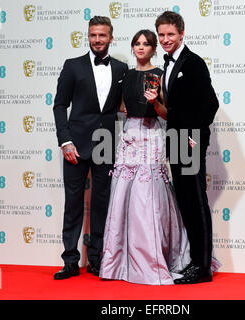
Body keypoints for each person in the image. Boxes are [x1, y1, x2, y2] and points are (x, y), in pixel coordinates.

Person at [99, 30, 191, 285]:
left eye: (146, 44)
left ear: (153, 49)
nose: (141, 47)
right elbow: (118, 105)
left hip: (151, 136)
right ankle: (117, 264)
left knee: (147, 196)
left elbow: (166, 113)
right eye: (137, 43)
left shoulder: (161, 76)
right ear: (132, 47)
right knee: (123, 195)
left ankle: (151, 259)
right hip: (129, 136)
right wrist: (127, 107)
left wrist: (154, 103)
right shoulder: (125, 75)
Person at [52, 16, 128, 280]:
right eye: (93, 35)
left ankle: (96, 260)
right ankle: (71, 261)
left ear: (110, 37)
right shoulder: (72, 66)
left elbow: (120, 105)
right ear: (88, 36)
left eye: (102, 35)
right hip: (75, 145)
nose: (97, 39)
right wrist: (65, 141)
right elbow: (60, 105)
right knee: (72, 203)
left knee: (101, 204)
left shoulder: (121, 68)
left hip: (106, 144)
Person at [155, 11, 220, 284]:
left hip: (189, 143)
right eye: (161, 35)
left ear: (182, 33)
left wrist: (193, 138)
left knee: (196, 201)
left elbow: (210, 104)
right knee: (186, 202)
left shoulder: (193, 63)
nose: (166, 39)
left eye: (170, 34)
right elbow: (176, 109)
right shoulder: (167, 65)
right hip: (176, 142)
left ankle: (203, 267)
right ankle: (195, 262)